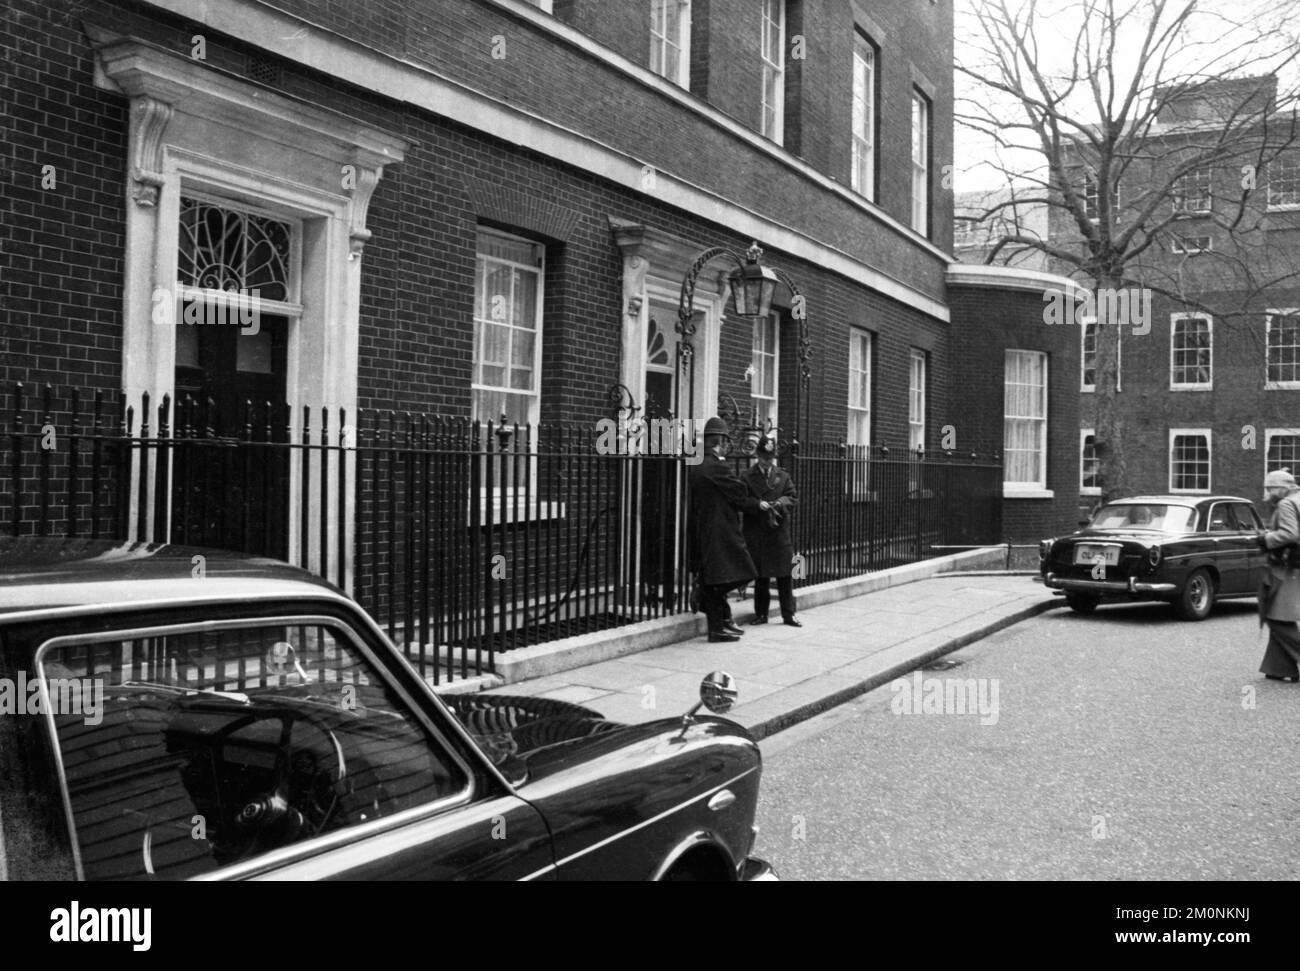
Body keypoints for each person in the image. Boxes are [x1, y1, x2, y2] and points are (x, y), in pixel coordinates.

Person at [688, 417, 768, 642]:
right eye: (725, 442)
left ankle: (721, 622)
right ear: (720, 442)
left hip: (706, 526)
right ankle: (715, 627)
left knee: (718, 576)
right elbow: (740, 492)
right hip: (720, 528)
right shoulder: (715, 464)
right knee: (733, 575)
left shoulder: (697, 462)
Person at [742, 434, 801, 626]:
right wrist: (758, 504)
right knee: (761, 577)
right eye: (764, 458)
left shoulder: (783, 476)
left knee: (784, 576)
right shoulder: (747, 476)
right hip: (758, 532)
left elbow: (792, 497)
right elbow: (741, 500)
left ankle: (789, 614)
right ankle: (761, 614)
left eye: (771, 458)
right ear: (758, 456)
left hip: (778, 533)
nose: (768, 462)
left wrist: (780, 503)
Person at [1255, 468, 1300, 682]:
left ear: (1281, 488)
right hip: (1294, 565)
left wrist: (1266, 539)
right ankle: (1279, 667)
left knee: (1275, 615)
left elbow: (1290, 534)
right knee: (1280, 611)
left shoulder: (1285, 503)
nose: (1267, 493)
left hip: (1287, 566)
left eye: (1270, 488)